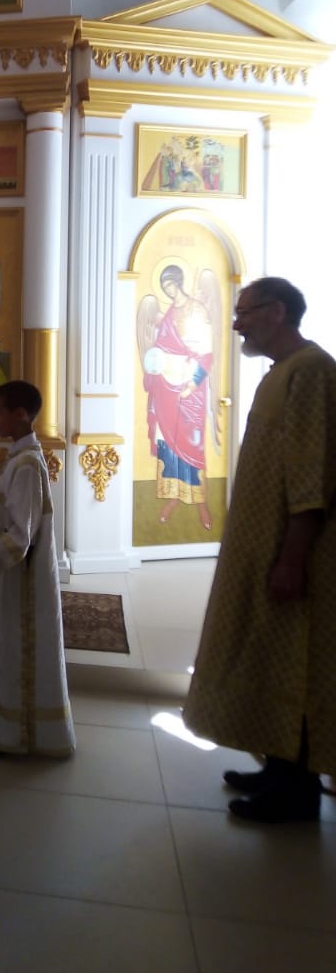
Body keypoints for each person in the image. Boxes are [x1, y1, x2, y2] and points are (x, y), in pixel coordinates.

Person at [183, 277, 336, 823]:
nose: (236, 323)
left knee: (295, 667)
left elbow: (311, 475)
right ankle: (277, 768)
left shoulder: (312, 372)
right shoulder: (281, 372)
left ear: (278, 312)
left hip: (293, 555)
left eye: (245, 313)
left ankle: (296, 792)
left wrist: (293, 558)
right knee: (269, 659)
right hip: (263, 549)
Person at [0, 380, 75, 760]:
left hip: (17, 581)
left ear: (21, 414)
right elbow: (11, 513)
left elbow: (21, 535)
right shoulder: (20, 457)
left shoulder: (26, 465)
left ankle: (9, 733)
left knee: (12, 648)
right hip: (7, 577)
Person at [137, 264, 221, 531]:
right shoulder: (169, 314)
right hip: (165, 387)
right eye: (165, 287)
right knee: (168, 444)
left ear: (179, 282)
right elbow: (160, 347)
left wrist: (193, 383)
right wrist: (154, 363)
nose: (169, 291)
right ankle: (173, 496)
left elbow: (206, 354)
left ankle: (200, 502)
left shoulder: (198, 310)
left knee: (192, 445)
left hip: (188, 388)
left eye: (171, 285)